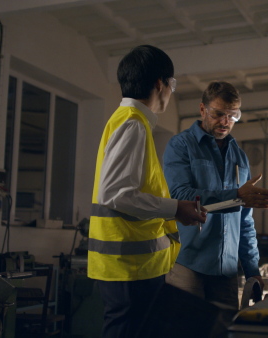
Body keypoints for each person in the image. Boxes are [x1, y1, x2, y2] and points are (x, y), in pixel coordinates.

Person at [88, 45, 207, 338]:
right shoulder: (132, 124)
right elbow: (116, 194)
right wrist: (175, 208)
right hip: (130, 268)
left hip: (132, 267)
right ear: (159, 84)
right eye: (172, 84)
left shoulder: (129, 122)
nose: (171, 92)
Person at [163, 81, 268, 310]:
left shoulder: (240, 157)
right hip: (188, 265)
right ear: (203, 109)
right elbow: (181, 195)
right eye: (218, 114)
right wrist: (237, 195)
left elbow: (245, 221)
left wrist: (252, 270)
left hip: (226, 272)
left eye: (233, 115)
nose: (226, 122)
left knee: (223, 331)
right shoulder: (181, 146)